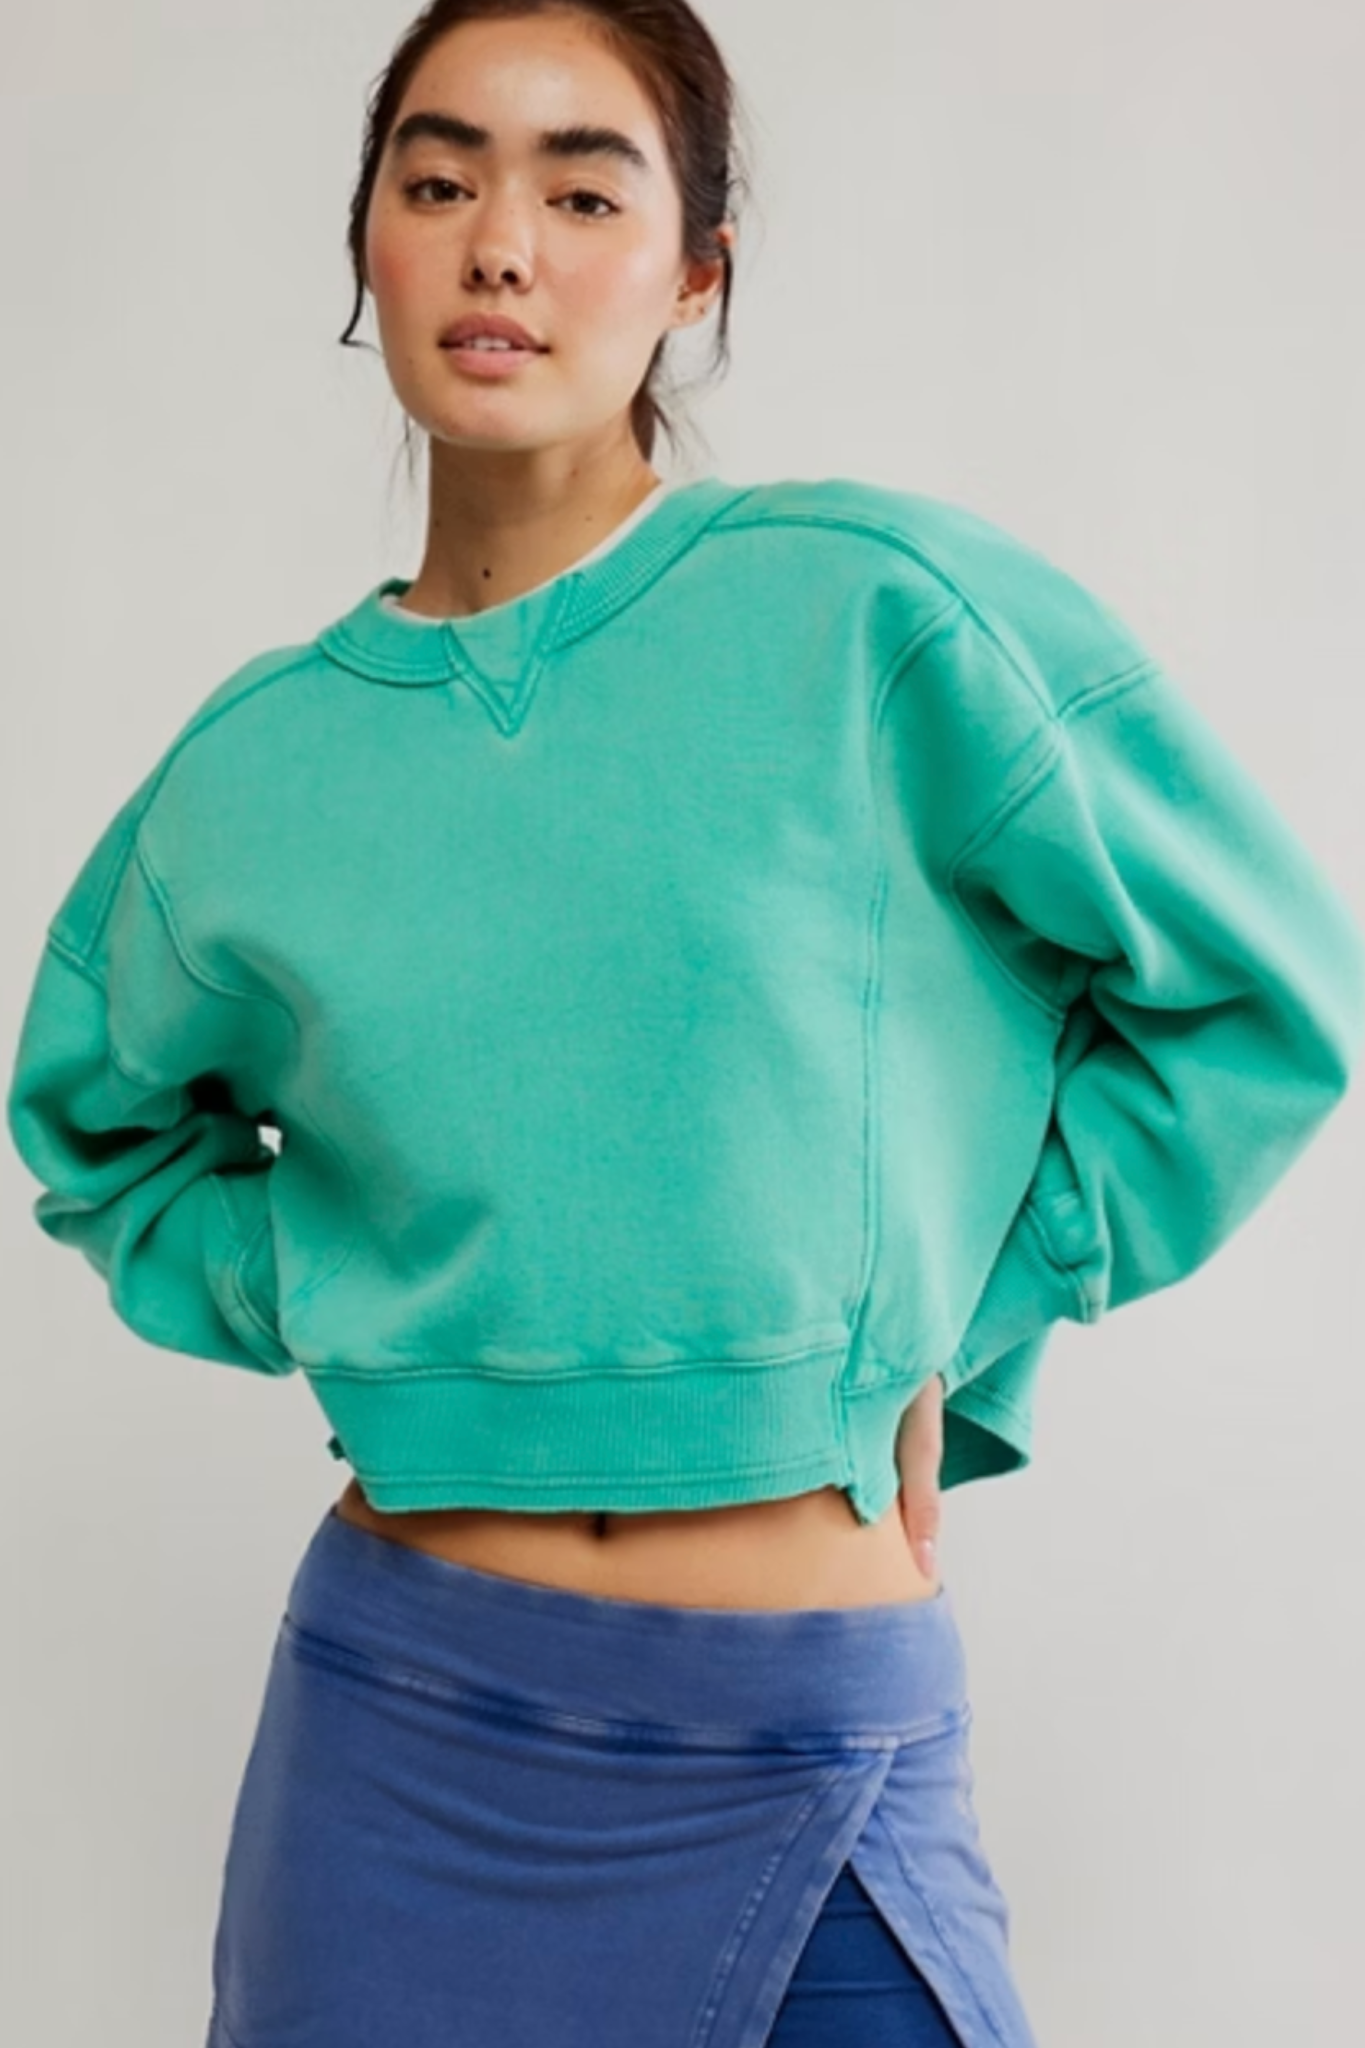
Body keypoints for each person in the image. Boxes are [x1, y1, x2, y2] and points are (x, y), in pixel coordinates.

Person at [7, 5, 1363, 2046]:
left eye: (583, 191)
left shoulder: (874, 610)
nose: (500, 243)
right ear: (368, 238)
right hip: (396, 1752)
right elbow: (96, 1132)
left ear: (694, 273)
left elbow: (1257, 991)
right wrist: (337, 1292)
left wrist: (952, 1313)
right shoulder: (253, 768)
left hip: (813, 1730)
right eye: (439, 179)